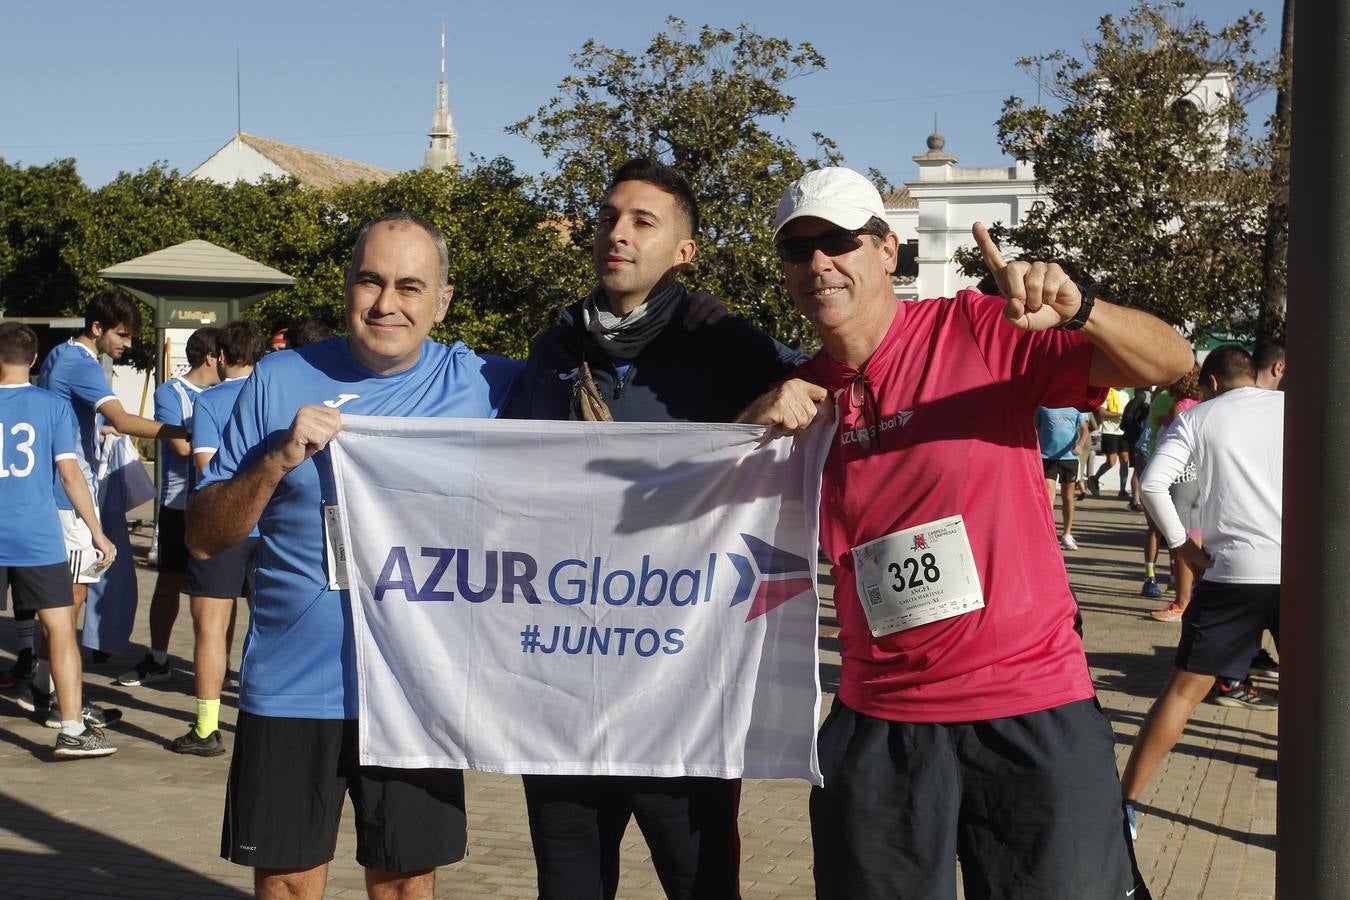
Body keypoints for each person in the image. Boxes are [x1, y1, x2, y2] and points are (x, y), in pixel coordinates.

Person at [740, 166, 1192, 899]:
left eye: (840, 241)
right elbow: (699, 507)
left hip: (1029, 706)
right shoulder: (801, 398)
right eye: (798, 249)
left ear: (887, 249)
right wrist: (751, 425)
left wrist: (1081, 309)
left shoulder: (975, 329)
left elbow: (1171, 362)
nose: (819, 263)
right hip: (879, 720)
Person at [187, 212, 520, 900]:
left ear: (442, 301)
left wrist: (692, 317)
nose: (386, 303)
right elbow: (205, 536)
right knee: (287, 883)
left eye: (409, 286)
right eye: (371, 281)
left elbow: (606, 398)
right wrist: (275, 460)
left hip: (416, 682)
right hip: (293, 685)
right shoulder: (279, 378)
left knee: (403, 885)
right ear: (347, 288)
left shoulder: (486, 383)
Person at [507, 158, 804, 900]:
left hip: (682, 685)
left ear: (683, 252)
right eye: (610, 217)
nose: (618, 233)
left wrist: (771, 406)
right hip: (565, 682)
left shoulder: (728, 345)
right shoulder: (554, 349)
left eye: (644, 222)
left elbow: (839, 381)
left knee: (702, 884)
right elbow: (502, 477)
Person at [1122, 346, 1282, 838]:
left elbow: (1152, 485)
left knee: (1184, 692)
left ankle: (1124, 805)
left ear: (1211, 383)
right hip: (1300, 571)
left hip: (1232, 573)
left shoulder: (1198, 419)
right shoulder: (1293, 407)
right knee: (1319, 693)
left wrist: (1183, 549)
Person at [36, 291, 185, 662]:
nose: (127, 343)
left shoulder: (59, 353)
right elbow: (121, 419)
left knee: (65, 591)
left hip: (57, 486)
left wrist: (96, 431)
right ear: (96, 327)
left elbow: (67, 416)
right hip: (69, 492)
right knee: (73, 592)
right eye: (122, 334)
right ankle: (57, 686)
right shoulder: (83, 365)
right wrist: (183, 431)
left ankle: (45, 679)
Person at [0, 322, 119, 756]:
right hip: (35, 536)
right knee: (60, 628)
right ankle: (71, 727)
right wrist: (97, 531)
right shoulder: (51, 405)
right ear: (34, 360)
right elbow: (69, 474)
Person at [170, 320, 265, 756]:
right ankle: (263, 719)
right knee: (267, 625)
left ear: (221, 356)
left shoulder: (208, 400)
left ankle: (207, 728)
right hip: (270, 524)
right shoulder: (274, 396)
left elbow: (207, 466)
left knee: (210, 627)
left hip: (222, 525)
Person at [117, 327, 220, 687]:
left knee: (219, 592)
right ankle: (158, 658)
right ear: (210, 357)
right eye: (221, 354)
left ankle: (219, 666)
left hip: (215, 504)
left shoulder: (227, 391)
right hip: (179, 504)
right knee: (169, 583)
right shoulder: (170, 391)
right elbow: (181, 447)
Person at [1146, 365, 1204, 623]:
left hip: (1180, 478)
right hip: (1197, 478)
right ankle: (1195, 597)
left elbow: (1168, 443)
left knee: (1181, 541)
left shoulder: (1179, 408)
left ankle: (1182, 602)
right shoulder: (1203, 406)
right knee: (1196, 536)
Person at [1036, 406, 1091, 550]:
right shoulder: (1043, 406)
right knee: (1048, 496)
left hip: (1069, 458)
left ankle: (1067, 534)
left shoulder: (1077, 406)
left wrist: (1080, 444)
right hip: (1047, 457)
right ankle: (1048, 534)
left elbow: (1084, 428)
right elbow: (1036, 428)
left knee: (1068, 497)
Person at [1088, 386, 1132, 499]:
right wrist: (1118, 415)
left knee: (1124, 460)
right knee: (1111, 462)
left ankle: (1122, 490)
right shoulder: (1108, 393)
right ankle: (1094, 478)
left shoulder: (1126, 395)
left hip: (1123, 432)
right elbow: (1101, 412)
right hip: (1109, 432)